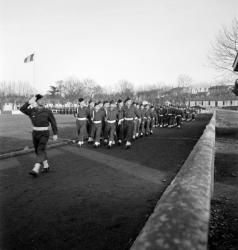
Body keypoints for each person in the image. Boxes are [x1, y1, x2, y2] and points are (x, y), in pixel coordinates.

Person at [20, 94, 58, 177]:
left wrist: (55, 133)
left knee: (40, 149)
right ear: (36, 101)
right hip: (35, 133)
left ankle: (36, 168)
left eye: (43, 100)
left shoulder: (47, 111)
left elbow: (53, 122)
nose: (42, 101)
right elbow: (22, 109)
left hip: (44, 133)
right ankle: (46, 165)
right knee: (38, 151)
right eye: (40, 100)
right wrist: (28, 103)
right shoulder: (31, 111)